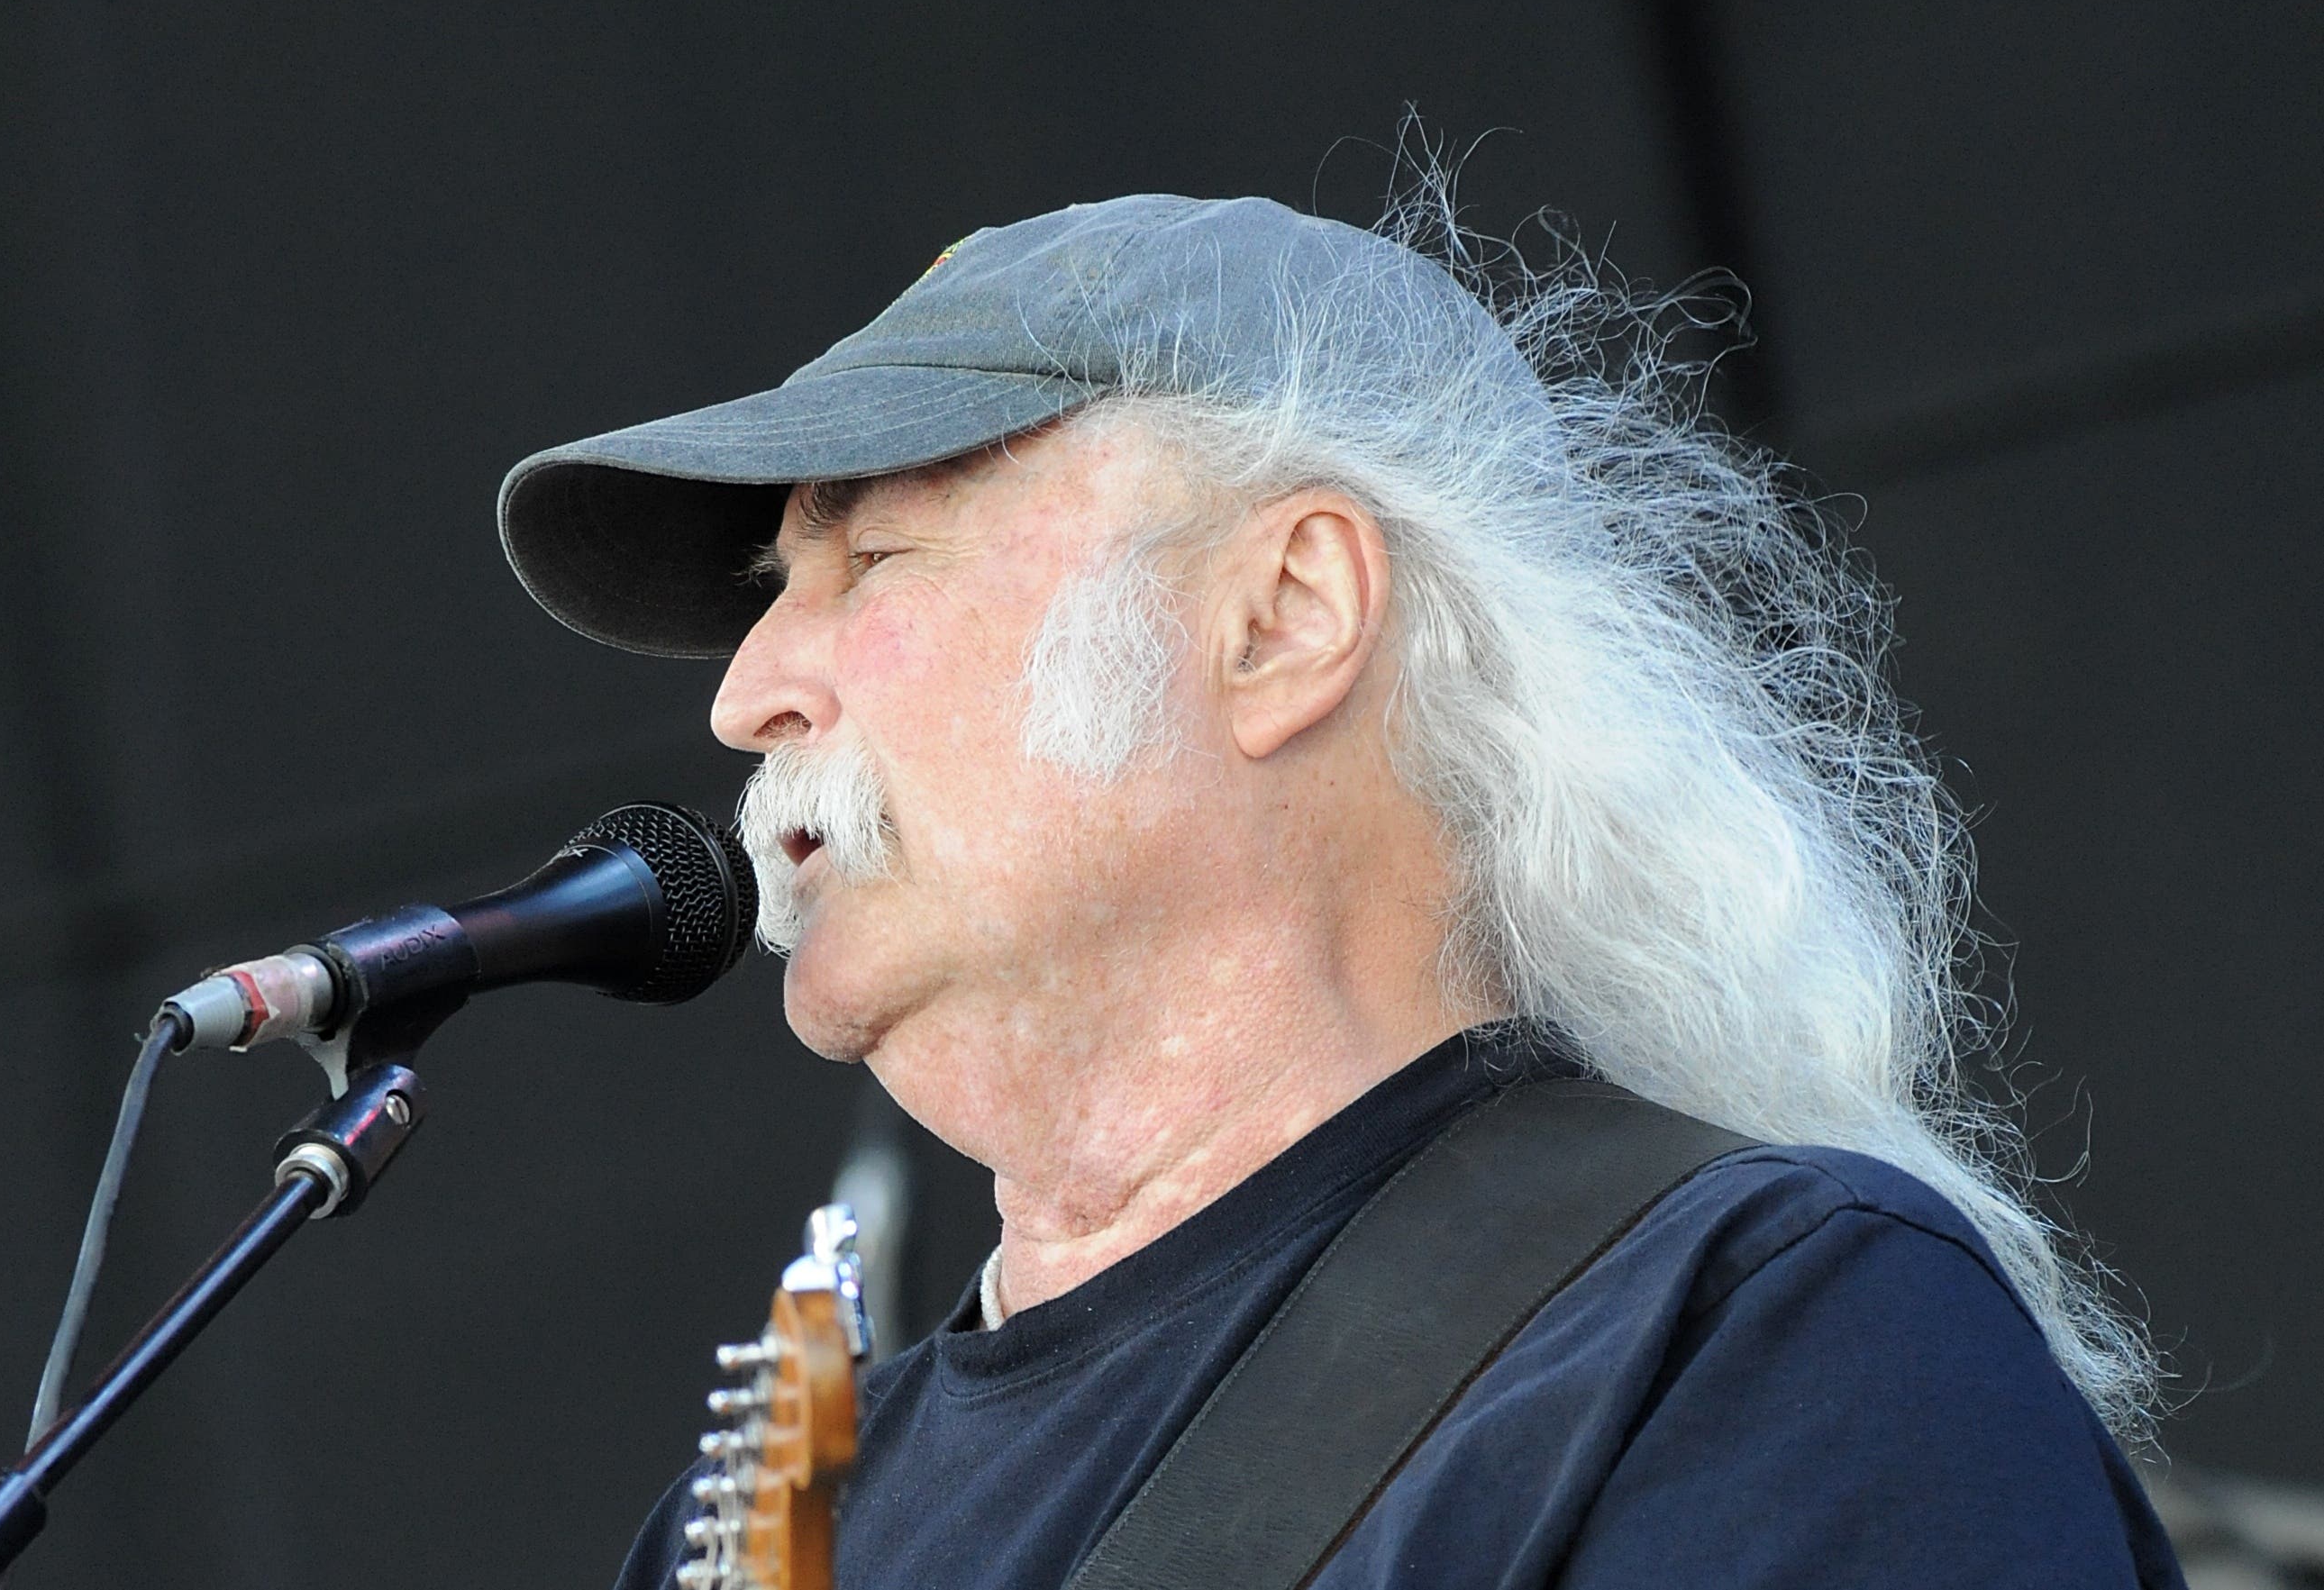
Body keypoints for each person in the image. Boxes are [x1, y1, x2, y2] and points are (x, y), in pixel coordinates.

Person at [497, 191, 2184, 1587]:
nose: (748, 693)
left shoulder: (1764, 1335)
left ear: (1284, 614)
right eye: (774, 588)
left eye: (869, 556)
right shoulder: (771, 1536)